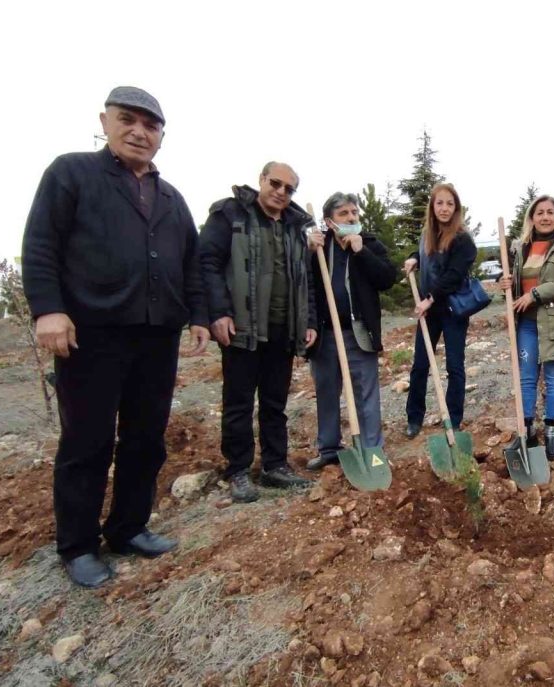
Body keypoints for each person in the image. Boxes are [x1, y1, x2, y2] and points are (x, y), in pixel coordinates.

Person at [21, 86, 210, 587]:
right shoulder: (72, 174)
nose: (138, 132)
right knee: (87, 441)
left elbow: (191, 264)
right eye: (127, 120)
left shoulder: (171, 198)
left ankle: (128, 527)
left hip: (156, 337)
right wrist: (49, 310)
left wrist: (197, 314)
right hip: (91, 335)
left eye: (151, 126)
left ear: (161, 137)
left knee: (146, 440)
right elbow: (40, 244)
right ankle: (78, 546)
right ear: (104, 122)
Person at [199, 162, 316, 503]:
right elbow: (207, 262)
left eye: (289, 188)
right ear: (262, 180)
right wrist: (218, 312)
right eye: (275, 183)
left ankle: (274, 465)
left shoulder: (295, 227)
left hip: (283, 328)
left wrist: (307, 321)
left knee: (275, 401)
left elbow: (305, 278)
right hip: (242, 326)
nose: (281, 192)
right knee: (238, 401)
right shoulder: (230, 215)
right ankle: (238, 469)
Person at [305, 192, 397, 471]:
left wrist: (361, 251)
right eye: (344, 214)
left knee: (366, 393)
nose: (351, 218)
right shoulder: (318, 248)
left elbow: (386, 279)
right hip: (325, 334)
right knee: (327, 391)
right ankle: (329, 448)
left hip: (359, 331)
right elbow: (304, 286)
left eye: (354, 213)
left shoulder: (369, 244)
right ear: (329, 221)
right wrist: (306, 249)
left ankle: (373, 450)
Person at [498, 195, 554, 460]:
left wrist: (534, 295)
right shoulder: (521, 248)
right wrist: (506, 285)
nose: (545, 217)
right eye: (540, 213)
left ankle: (551, 434)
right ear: (531, 218)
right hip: (527, 325)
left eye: (550, 212)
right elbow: (514, 289)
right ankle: (526, 432)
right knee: (526, 379)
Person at [403, 183, 478, 437]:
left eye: (449, 203)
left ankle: (454, 419)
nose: (444, 208)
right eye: (440, 203)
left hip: (453, 310)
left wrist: (430, 298)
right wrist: (414, 256)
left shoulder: (463, 240)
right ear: (432, 206)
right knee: (420, 365)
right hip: (430, 311)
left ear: (456, 207)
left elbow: (453, 276)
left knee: (454, 366)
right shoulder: (428, 234)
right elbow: (427, 255)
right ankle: (414, 418)